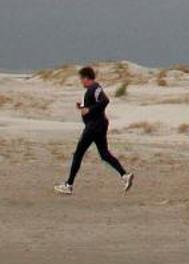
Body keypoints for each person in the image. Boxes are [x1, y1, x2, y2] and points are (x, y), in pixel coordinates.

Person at [55, 65, 132, 195]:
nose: (81, 82)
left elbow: (105, 101)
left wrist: (89, 109)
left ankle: (68, 185)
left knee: (78, 154)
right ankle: (125, 175)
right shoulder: (92, 90)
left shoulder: (94, 88)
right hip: (99, 125)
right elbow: (95, 106)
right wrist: (83, 107)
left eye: (81, 79)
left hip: (94, 127)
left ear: (86, 78)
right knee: (104, 154)